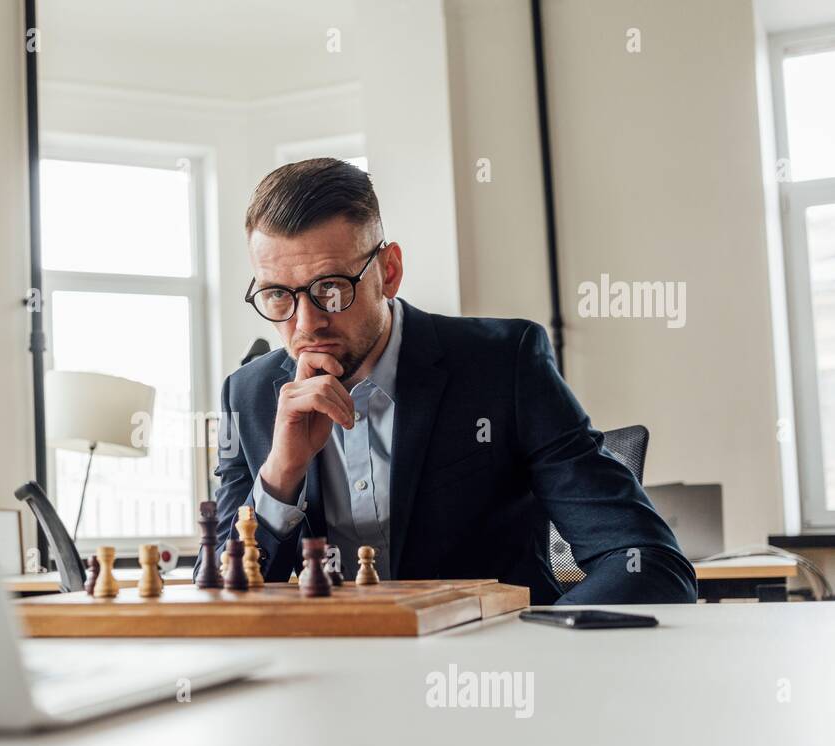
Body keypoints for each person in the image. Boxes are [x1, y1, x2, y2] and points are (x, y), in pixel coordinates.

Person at [201, 158, 696, 605]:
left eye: (331, 289)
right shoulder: (247, 394)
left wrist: (543, 650)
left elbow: (647, 560)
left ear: (388, 272)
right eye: (277, 296)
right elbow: (220, 597)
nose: (306, 324)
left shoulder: (504, 364)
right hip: (328, 684)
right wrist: (280, 475)